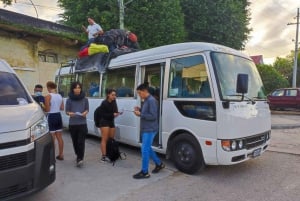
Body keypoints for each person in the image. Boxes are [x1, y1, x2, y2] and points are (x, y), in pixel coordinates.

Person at [132, 82, 165, 179]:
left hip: (150, 129)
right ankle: (159, 164)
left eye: (139, 93)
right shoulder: (146, 100)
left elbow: (153, 116)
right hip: (147, 128)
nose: (139, 95)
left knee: (144, 150)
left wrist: (140, 114)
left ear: (144, 91)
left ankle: (145, 172)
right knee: (147, 148)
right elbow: (148, 112)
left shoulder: (151, 100)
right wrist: (140, 109)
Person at [65, 81, 89, 167]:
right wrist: (70, 113)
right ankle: (78, 155)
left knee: (81, 142)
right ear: (72, 89)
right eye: (76, 88)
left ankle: (80, 158)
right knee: (75, 141)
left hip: (82, 123)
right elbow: (67, 111)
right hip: (73, 124)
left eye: (79, 88)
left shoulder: (85, 99)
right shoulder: (69, 100)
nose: (77, 89)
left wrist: (84, 113)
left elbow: (87, 109)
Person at [95, 89, 121, 162]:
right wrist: (113, 114)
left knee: (111, 139)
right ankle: (103, 156)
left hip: (111, 121)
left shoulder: (114, 102)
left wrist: (118, 113)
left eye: (115, 95)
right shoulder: (104, 103)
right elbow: (103, 115)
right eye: (112, 95)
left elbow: (115, 111)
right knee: (104, 139)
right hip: (104, 122)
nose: (114, 96)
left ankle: (110, 154)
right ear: (108, 95)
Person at [44, 81, 64, 161]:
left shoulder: (48, 96)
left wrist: (44, 106)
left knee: (52, 138)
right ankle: (61, 154)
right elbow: (62, 108)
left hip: (51, 116)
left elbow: (47, 109)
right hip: (58, 115)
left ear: (48, 87)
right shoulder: (59, 96)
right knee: (59, 137)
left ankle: (52, 157)